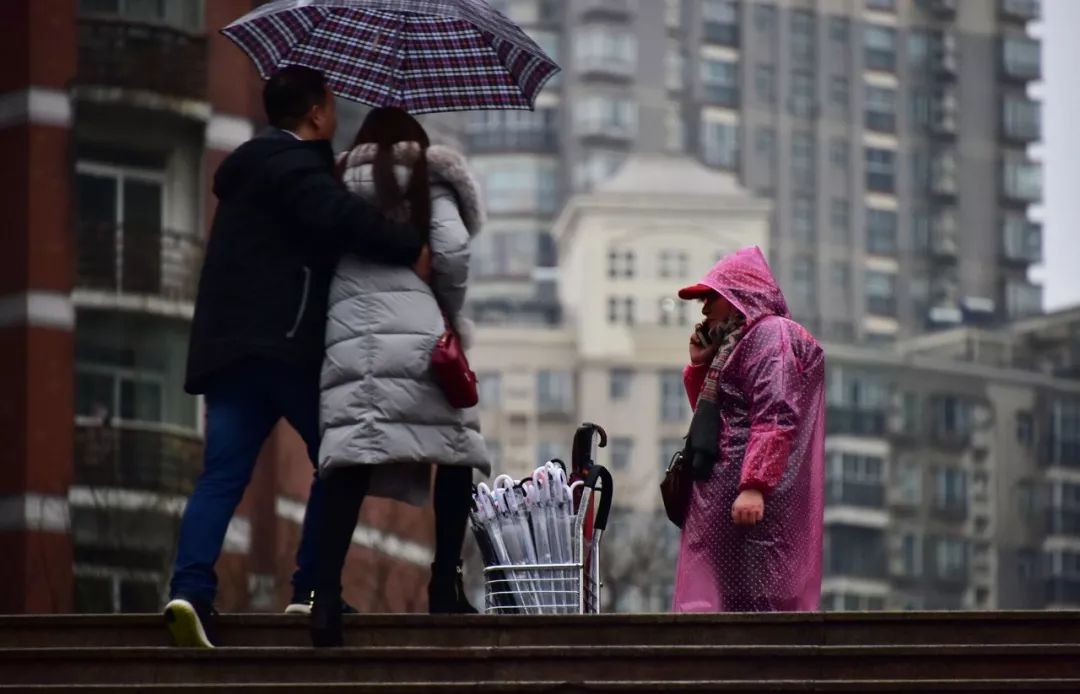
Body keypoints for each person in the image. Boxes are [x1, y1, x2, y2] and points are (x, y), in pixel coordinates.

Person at [164, 67, 430, 648]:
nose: (334, 117)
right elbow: (345, 220)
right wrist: (411, 244)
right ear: (316, 113)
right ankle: (311, 589)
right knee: (344, 463)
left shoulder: (251, 170)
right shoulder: (294, 168)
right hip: (282, 348)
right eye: (331, 107)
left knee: (221, 477)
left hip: (228, 352)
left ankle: (188, 592)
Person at [311, 107, 491, 647]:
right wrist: (447, 312)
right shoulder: (427, 178)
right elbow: (453, 252)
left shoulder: (336, 178)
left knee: (347, 460)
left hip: (346, 333)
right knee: (454, 453)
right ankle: (444, 586)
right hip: (417, 330)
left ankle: (324, 599)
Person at [671, 246, 825, 613]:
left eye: (712, 298)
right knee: (731, 600)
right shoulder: (736, 344)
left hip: (756, 502)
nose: (705, 310)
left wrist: (755, 486)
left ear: (739, 297)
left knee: (761, 598)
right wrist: (699, 366)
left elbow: (776, 414)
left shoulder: (771, 337)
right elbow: (714, 418)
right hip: (728, 494)